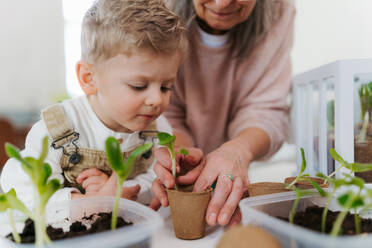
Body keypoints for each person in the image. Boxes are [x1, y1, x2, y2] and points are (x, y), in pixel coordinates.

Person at [0, 0, 187, 209]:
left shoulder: (157, 130)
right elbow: (18, 183)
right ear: (89, 78)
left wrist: (120, 191)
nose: (156, 100)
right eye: (138, 86)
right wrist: (84, 203)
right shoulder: (59, 128)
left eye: (166, 87)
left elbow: (155, 178)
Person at [150, 0, 295, 227]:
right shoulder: (154, 7)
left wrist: (238, 150)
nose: (222, 3)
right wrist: (179, 152)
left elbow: (266, 111)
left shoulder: (279, 10)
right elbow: (164, 109)